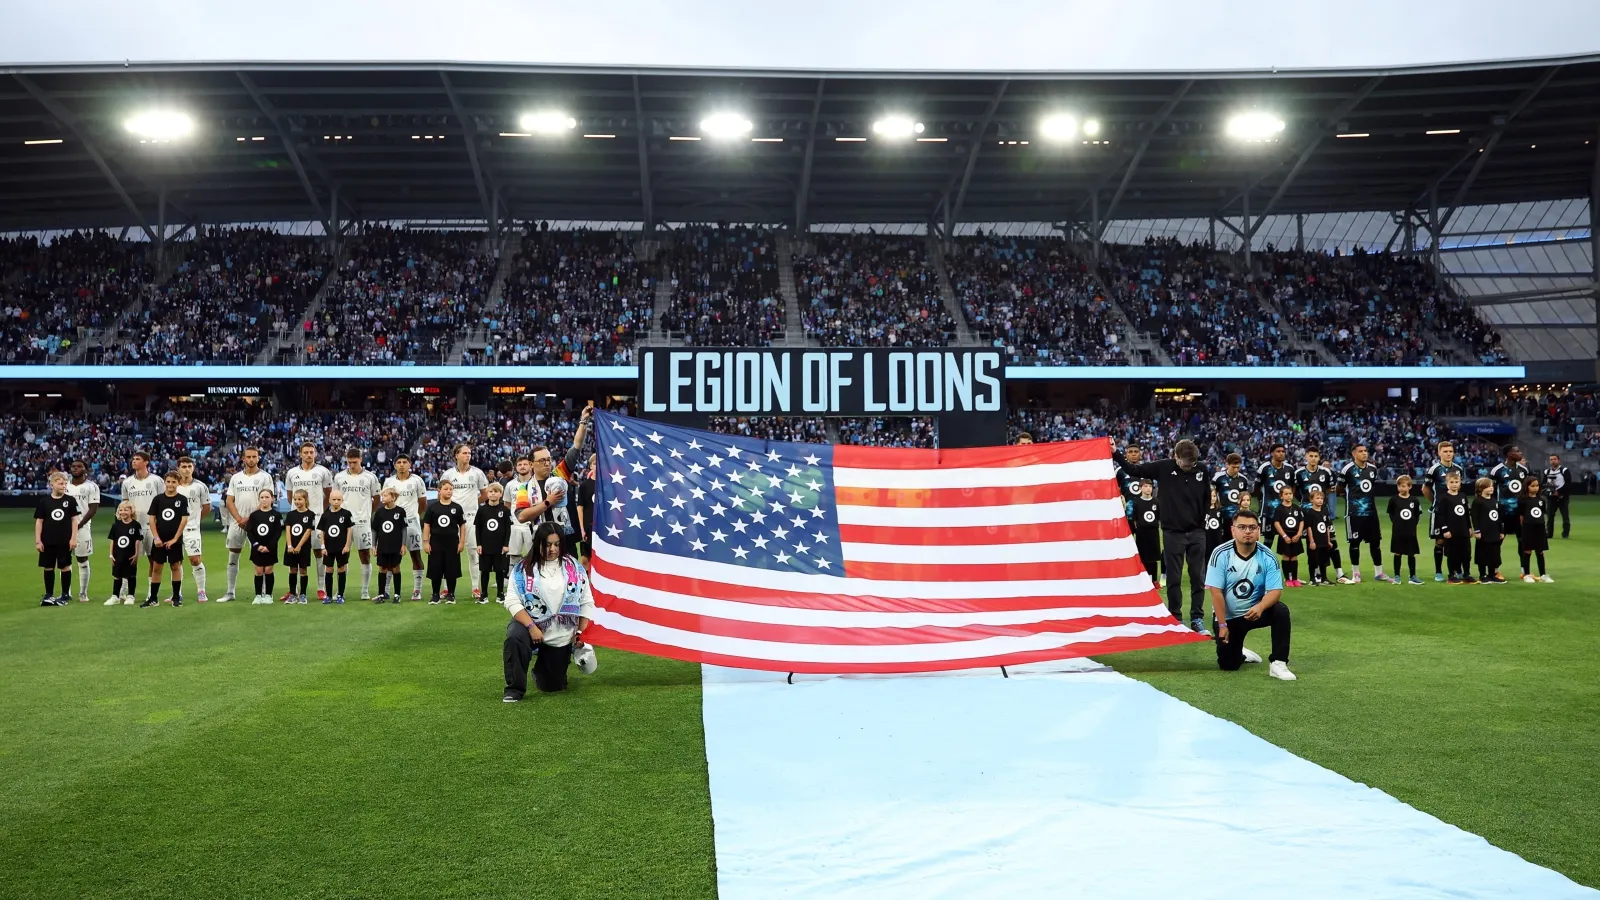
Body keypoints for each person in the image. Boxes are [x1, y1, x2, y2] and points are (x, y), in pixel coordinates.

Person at [1112, 438, 1211, 633]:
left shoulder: (1202, 469)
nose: (1189, 467)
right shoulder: (1163, 467)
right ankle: (1176, 618)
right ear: (1176, 457)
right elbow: (1134, 471)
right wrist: (1116, 453)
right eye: (1185, 463)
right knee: (1173, 578)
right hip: (1173, 532)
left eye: (1192, 463)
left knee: (1198, 577)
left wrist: (1203, 518)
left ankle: (1197, 619)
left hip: (1197, 532)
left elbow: (1207, 495)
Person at [502, 522, 597, 701]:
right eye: (547, 544)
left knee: (552, 686)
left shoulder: (575, 568)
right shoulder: (523, 569)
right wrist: (531, 627)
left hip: (560, 635)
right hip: (530, 625)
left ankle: (543, 671)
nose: (552, 549)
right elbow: (512, 601)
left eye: (557, 544)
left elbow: (587, 602)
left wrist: (580, 632)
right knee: (515, 636)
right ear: (538, 543)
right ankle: (514, 689)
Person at [1204, 509, 1295, 681]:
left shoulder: (1268, 556)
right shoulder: (1220, 554)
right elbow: (1216, 592)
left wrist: (1260, 607)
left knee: (1281, 611)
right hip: (1229, 618)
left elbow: (1276, 592)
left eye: (1252, 527)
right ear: (1233, 530)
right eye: (1242, 527)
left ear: (1259, 530)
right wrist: (1222, 625)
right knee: (1228, 665)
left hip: (1255, 612)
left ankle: (1278, 663)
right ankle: (1240, 653)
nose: (1248, 531)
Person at [222, 447, 275, 603]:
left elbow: (267, 499)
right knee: (233, 555)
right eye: (248, 457)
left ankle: (263, 593)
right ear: (243, 459)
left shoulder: (265, 477)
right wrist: (239, 519)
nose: (251, 459)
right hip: (237, 522)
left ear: (258, 458)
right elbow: (229, 500)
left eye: (254, 456)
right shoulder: (236, 478)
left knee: (263, 557)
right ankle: (230, 592)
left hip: (259, 523)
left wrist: (250, 519)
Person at [436, 444, 489, 601]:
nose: (468, 455)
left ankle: (475, 587)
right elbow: (442, 493)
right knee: (449, 554)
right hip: (451, 520)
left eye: (469, 453)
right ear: (456, 455)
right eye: (464, 453)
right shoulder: (448, 474)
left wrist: (473, 503)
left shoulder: (477, 473)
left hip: (472, 518)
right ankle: (446, 589)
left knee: (473, 554)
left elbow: (485, 494)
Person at [284, 443, 334, 600]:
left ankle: (321, 588)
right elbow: (290, 496)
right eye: (305, 452)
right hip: (297, 521)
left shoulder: (323, 472)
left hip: (318, 517)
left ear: (315, 454)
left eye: (311, 452)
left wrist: (319, 511)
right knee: (294, 552)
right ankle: (294, 590)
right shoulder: (292, 473)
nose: (308, 455)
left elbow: (328, 494)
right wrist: (299, 510)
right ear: (300, 454)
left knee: (319, 551)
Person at [333, 448, 382, 599]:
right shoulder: (339, 477)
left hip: (362, 522)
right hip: (343, 523)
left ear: (361, 459)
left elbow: (377, 499)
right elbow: (335, 497)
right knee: (342, 555)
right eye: (349, 462)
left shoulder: (370, 477)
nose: (352, 465)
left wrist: (367, 513)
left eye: (355, 462)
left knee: (364, 555)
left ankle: (365, 590)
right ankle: (340, 591)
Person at [1338, 444, 1389, 583]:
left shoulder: (1373, 469)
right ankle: (1356, 573)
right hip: (1354, 513)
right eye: (1361, 451)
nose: (1364, 453)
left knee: (1375, 543)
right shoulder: (1347, 469)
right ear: (1354, 454)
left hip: (1371, 513)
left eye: (1366, 451)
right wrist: (1351, 500)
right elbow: (1339, 489)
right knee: (1355, 543)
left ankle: (1379, 572)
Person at [382, 455, 429, 602]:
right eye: (399, 462)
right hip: (393, 526)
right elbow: (385, 500)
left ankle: (417, 590)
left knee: (416, 556)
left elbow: (423, 503)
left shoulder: (417, 480)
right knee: (391, 558)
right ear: (395, 465)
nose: (402, 465)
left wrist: (414, 516)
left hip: (412, 523)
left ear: (409, 464)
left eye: (404, 462)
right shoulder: (389, 481)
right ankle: (386, 590)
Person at [1295, 448, 1343, 582]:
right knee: (1311, 543)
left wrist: (1321, 503)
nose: (1313, 458)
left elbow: (1328, 489)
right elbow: (1295, 491)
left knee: (1331, 541)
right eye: (1311, 456)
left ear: (1319, 457)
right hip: (1306, 514)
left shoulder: (1326, 472)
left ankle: (1339, 573)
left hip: (1323, 513)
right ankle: (1315, 573)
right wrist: (1305, 502)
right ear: (1306, 457)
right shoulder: (1299, 473)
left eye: (1316, 456)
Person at [144, 471, 190, 607]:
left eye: (174, 482)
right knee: (156, 568)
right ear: (165, 482)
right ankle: (153, 598)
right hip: (160, 540)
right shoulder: (158, 499)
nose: (170, 484)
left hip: (174, 540)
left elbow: (184, 519)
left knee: (175, 566)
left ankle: (176, 597)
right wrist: (156, 537)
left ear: (178, 483)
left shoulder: (182, 499)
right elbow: (152, 519)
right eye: (168, 481)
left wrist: (175, 539)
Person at [35, 471, 80, 606]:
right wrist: (38, 540)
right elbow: (39, 521)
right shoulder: (44, 502)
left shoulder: (70, 500)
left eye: (65, 483)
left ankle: (65, 594)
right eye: (60, 483)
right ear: (52, 485)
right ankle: (49, 594)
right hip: (47, 540)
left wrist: (73, 538)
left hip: (64, 540)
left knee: (65, 566)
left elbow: (74, 521)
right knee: (48, 567)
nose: (63, 486)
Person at [1424, 441, 1466, 582]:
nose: (1448, 454)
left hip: (1456, 513)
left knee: (1457, 541)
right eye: (1445, 451)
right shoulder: (1434, 469)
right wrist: (1437, 504)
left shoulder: (1459, 469)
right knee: (1440, 541)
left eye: (1450, 451)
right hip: (1439, 512)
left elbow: (1460, 490)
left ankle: (1457, 570)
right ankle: (1438, 572)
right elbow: (1425, 489)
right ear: (1439, 453)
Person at [423, 479, 466, 604]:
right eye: (446, 489)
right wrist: (426, 542)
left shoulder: (457, 508)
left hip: (452, 542)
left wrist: (462, 542)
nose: (449, 491)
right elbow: (427, 525)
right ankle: (435, 594)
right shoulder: (433, 508)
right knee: (435, 569)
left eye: (451, 489)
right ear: (439, 490)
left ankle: (451, 594)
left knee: (451, 569)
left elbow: (462, 526)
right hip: (436, 542)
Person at [176, 457, 212, 602]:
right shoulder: (173, 485)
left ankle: (201, 591)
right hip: (173, 530)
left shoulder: (200, 486)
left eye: (189, 466)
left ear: (193, 468)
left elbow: (207, 507)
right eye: (183, 466)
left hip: (192, 528)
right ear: (178, 468)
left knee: (195, 559)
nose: (186, 469)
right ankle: (176, 592)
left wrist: (195, 520)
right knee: (175, 562)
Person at [66, 460, 100, 603]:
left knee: (82, 559)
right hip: (63, 528)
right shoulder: (64, 484)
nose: (76, 468)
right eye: (73, 466)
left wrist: (79, 524)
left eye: (79, 466)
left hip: (82, 527)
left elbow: (93, 508)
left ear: (85, 469)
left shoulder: (91, 486)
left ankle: (83, 593)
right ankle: (65, 592)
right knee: (64, 561)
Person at [121, 451, 165, 561]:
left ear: (146, 462)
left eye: (137, 459)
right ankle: (129, 579)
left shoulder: (156, 480)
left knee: (153, 559)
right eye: (133, 459)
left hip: (152, 525)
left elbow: (163, 502)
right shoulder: (127, 482)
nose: (134, 461)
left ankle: (152, 579)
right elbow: (125, 504)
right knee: (130, 559)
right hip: (134, 525)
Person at [476, 482, 513, 604]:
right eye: (491, 491)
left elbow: (508, 529)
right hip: (485, 546)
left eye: (496, 491)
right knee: (485, 571)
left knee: (499, 570)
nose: (493, 494)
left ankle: (500, 594)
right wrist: (479, 544)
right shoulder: (481, 510)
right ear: (487, 493)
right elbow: (478, 529)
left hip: (499, 547)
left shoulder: (505, 510)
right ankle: (484, 594)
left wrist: (506, 544)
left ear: (501, 494)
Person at [245, 488, 284, 604]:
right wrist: (257, 545)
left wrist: (269, 546)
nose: (264, 500)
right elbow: (249, 532)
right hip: (257, 548)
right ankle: (257, 595)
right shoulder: (254, 515)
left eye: (267, 497)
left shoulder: (276, 515)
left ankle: (268, 595)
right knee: (258, 571)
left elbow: (278, 532)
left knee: (268, 570)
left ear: (272, 499)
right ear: (259, 499)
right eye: (262, 497)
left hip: (270, 548)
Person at [318, 489, 356, 603]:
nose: (336, 502)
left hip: (342, 548)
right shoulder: (325, 515)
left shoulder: (346, 514)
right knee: (329, 569)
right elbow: (322, 532)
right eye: (334, 499)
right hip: (329, 548)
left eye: (338, 499)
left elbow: (349, 531)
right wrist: (323, 547)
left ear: (342, 500)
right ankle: (328, 596)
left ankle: (340, 594)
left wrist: (347, 545)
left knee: (341, 568)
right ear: (329, 500)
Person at [372, 487, 408, 603]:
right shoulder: (379, 512)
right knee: (382, 568)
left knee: (395, 568)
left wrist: (403, 544)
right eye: (382, 495)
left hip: (395, 545)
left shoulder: (400, 511)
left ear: (393, 497)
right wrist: (373, 545)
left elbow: (404, 529)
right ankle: (381, 594)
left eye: (386, 495)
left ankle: (397, 594)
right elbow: (375, 530)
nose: (383, 497)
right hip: (382, 545)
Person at [1255, 444, 1294, 552]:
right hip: (1269, 510)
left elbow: (1292, 487)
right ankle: (1263, 564)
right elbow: (1256, 488)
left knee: (1287, 538)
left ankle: (1287, 567)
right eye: (1278, 451)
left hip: (1286, 511)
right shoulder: (1264, 468)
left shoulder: (1290, 469)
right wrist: (1262, 501)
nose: (1281, 453)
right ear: (1272, 453)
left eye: (1283, 451)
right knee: (1268, 539)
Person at [1437, 472, 1474, 584]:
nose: (1454, 484)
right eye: (1451, 482)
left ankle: (1466, 574)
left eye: (1456, 482)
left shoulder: (1463, 496)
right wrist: (1445, 529)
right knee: (1453, 554)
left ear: (1460, 483)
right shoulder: (1444, 498)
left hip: (1463, 530)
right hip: (1451, 532)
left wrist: (1469, 527)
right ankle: (1451, 575)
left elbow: (1467, 514)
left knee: (1466, 554)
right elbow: (1441, 515)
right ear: (1447, 484)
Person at [1386, 475, 1423, 585]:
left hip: (1410, 532)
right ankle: (1397, 576)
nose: (1401, 488)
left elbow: (1417, 515)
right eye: (1399, 486)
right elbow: (1391, 514)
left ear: (1409, 487)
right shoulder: (1393, 500)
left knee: (1411, 554)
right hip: (1398, 531)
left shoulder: (1414, 500)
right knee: (1398, 553)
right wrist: (1396, 523)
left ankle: (1412, 576)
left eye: (1404, 486)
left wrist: (1412, 524)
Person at [282, 490, 316, 604]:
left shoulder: (310, 514)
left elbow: (308, 531)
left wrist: (299, 546)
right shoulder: (291, 514)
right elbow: (288, 530)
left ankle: (303, 595)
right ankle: (292, 594)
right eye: (295, 499)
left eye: (300, 499)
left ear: (305, 500)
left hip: (303, 547)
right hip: (291, 547)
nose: (297, 501)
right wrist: (290, 545)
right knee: (292, 570)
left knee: (303, 570)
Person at [1489, 447, 1530, 543]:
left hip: (1520, 512)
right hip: (1503, 512)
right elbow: (1491, 492)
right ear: (1509, 454)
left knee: (1523, 542)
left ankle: (1524, 559)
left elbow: (1527, 489)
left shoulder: (1524, 470)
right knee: (1498, 540)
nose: (1521, 453)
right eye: (1517, 451)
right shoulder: (1497, 470)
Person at [106, 500, 142, 606]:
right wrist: (111, 554)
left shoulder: (136, 525)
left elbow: (137, 540)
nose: (123, 512)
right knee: (117, 575)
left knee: (130, 575)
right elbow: (112, 540)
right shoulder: (116, 525)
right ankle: (115, 596)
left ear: (131, 511)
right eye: (121, 510)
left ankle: (131, 596)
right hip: (118, 555)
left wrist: (136, 554)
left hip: (130, 555)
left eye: (126, 510)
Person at [1471, 476, 1506, 584]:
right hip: (1484, 532)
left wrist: (1501, 531)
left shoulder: (1494, 501)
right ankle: (1482, 575)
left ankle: (1492, 574)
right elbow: (1474, 517)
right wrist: (1477, 530)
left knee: (1494, 554)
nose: (1491, 489)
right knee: (1483, 554)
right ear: (1480, 489)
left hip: (1494, 531)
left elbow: (1498, 517)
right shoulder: (1478, 501)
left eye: (1492, 486)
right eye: (1488, 487)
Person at [1518, 479, 1553, 583]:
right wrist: (1524, 527)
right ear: (1527, 487)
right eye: (1532, 486)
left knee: (1540, 551)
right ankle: (1527, 575)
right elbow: (1521, 516)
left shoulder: (1541, 499)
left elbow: (1542, 514)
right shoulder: (1523, 500)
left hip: (1540, 528)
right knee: (1527, 551)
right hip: (1528, 528)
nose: (1535, 488)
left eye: (1537, 486)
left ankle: (1543, 575)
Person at [1271, 485, 1305, 587]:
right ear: (1281, 496)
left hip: (1295, 535)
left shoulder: (1296, 508)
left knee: (1294, 556)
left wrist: (1299, 534)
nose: (1289, 496)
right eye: (1286, 494)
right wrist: (1284, 536)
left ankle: (1295, 578)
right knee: (1286, 556)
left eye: (1290, 493)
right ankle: (1287, 579)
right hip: (1285, 535)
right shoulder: (1279, 509)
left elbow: (1301, 521)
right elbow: (1276, 523)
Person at [1130, 480, 1161, 584]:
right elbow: (1134, 519)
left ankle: (1154, 581)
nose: (1148, 488)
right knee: (1142, 557)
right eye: (1146, 486)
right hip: (1141, 533)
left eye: (1150, 486)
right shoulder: (1137, 502)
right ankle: (1143, 580)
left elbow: (1159, 517)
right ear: (1140, 488)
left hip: (1153, 533)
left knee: (1153, 557)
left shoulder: (1156, 502)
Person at [1212, 452, 1251, 529]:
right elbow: (1212, 495)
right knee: (1224, 539)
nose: (1236, 470)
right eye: (1233, 467)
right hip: (1222, 515)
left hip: (1239, 516)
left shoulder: (1243, 480)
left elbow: (1245, 497)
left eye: (1238, 467)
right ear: (1227, 465)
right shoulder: (1218, 478)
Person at [1301, 490, 1332, 586]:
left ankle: (1324, 578)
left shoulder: (1324, 512)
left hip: (1323, 541)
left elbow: (1326, 527)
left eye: (1322, 498)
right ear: (1311, 500)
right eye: (1317, 498)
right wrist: (1311, 541)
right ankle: (1312, 578)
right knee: (1313, 560)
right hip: (1315, 541)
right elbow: (1309, 527)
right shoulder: (1310, 513)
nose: (1320, 500)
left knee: (1323, 560)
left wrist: (1328, 540)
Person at [1542, 453, 1572, 540]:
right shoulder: (1547, 471)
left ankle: (1565, 533)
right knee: (1550, 516)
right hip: (1551, 497)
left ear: (1558, 460)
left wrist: (1558, 492)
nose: (1553, 461)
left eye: (1554, 459)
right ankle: (1549, 533)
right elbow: (1543, 483)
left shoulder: (1564, 470)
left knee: (1565, 515)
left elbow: (1568, 484)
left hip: (1563, 497)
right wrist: (1548, 490)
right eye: (1551, 459)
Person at [575, 452, 597, 565]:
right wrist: (582, 529)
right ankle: (585, 582)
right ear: (590, 466)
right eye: (594, 463)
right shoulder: (584, 485)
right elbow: (580, 508)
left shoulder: (608, 485)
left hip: (602, 528)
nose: (597, 465)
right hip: (588, 526)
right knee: (584, 559)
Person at [1203, 487, 1227, 558]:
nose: (1213, 498)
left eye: (1214, 496)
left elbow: (1222, 523)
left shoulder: (1219, 510)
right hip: (1207, 537)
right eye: (1210, 496)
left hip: (1217, 536)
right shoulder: (1203, 510)